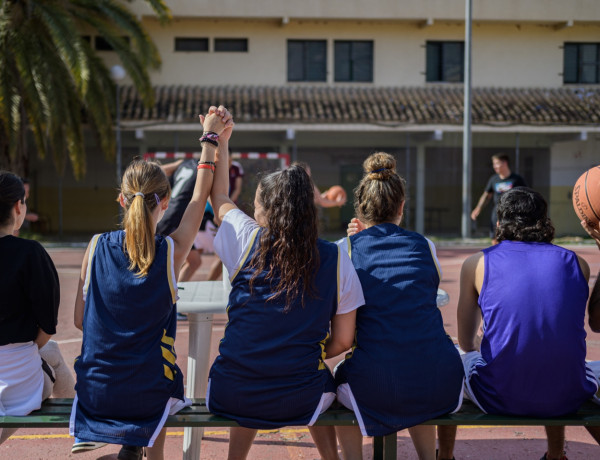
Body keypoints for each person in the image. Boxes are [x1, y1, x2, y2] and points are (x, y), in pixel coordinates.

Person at [69, 106, 232, 460]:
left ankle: (130, 448)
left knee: (143, 377)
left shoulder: (95, 247)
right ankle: (146, 453)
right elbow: (200, 196)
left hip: (96, 390)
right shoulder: (171, 253)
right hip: (148, 390)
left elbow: (81, 321)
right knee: (160, 378)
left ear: (121, 199)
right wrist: (212, 139)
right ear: (166, 202)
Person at [206, 131, 365, 459]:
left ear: (267, 209)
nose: (252, 208)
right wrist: (306, 358)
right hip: (300, 397)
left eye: (257, 202)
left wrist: (220, 141)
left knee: (251, 370)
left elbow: (219, 194)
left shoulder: (245, 238)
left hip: (230, 392)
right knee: (319, 378)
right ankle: (332, 457)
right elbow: (344, 340)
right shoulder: (336, 258)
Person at [440, 187, 600, 460]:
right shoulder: (579, 264)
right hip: (567, 393)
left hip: (498, 394)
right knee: (555, 358)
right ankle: (556, 454)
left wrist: (482, 342)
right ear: (545, 221)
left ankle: (443, 456)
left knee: (448, 358)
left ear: (499, 223)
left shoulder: (476, 263)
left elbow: (467, 344)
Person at [330, 153, 464, 460]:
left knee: (337, 378)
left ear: (359, 211)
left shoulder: (344, 250)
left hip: (378, 382)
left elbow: (343, 331)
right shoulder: (425, 245)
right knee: (415, 361)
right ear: (402, 206)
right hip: (439, 380)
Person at [0, 171, 75, 445]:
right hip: (19, 379)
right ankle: (82, 426)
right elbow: (48, 325)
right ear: (19, 207)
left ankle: (81, 425)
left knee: (50, 354)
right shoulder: (31, 253)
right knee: (45, 359)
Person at [471, 154, 527, 244]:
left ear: (505, 163)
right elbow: (486, 195)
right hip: (497, 213)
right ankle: (496, 256)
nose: (494, 166)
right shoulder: (494, 179)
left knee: (514, 239)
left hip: (513, 214)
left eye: (497, 163)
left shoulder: (517, 179)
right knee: (495, 238)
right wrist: (478, 208)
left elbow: (525, 195)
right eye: (493, 164)